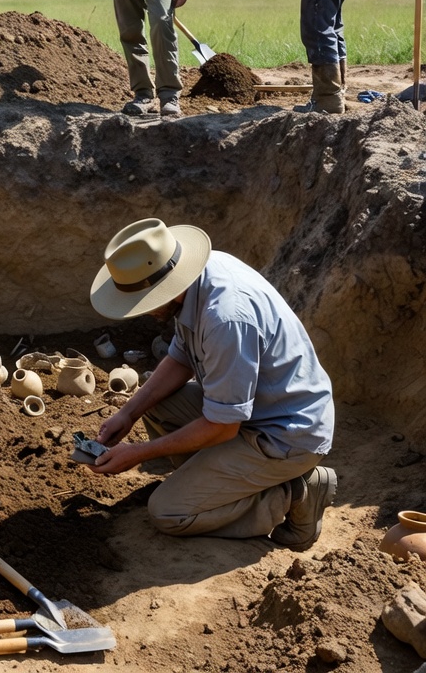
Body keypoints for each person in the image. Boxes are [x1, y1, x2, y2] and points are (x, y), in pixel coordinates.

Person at [87, 217, 336, 551]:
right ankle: (213, 484)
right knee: (156, 404)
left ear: (167, 286)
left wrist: (139, 452)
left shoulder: (225, 318)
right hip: (252, 412)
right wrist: (127, 414)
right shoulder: (199, 278)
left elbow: (223, 426)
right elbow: (180, 358)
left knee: (168, 513)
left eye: (143, 302)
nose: (141, 312)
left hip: (285, 435)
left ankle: (295, 493)